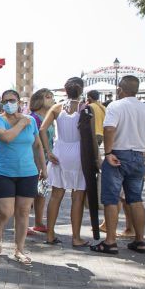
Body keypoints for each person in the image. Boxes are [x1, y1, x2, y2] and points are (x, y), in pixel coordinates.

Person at [94, 75, 145, 254]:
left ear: (120, 89)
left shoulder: (116, 106)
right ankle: (140, 240)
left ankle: (110, 241)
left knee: (111, 199)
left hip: (118, 155)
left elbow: (109, 129)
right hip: (138, 157)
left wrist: (108, 153)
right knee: (136, 199)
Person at [0, 90, 46, 265]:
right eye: (5, 101)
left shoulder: (30, 121)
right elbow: (6, 137)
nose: (9, 104)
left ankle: (19, 250)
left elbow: (38, 145)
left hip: (28, 172)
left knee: (23, 211)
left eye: (12, 100)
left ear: (19, 102)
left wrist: (43, 168)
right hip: (3, 172)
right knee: (5, 211)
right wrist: (21, 123)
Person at [39, 78, 90, 247]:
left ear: (65, 90)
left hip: (60, 152)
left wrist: (48, 151)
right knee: (78, 197)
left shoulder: (56, 108)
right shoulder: (85, 108)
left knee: (56, 196)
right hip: (79, 153)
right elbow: (90, 135)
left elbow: (42, 129)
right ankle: (76, 237)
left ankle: (50, 235)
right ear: (81, 90)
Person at [27, 88, 55, 234]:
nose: (51, 99)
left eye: (52, 97)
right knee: (29, 193)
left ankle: (38, 222)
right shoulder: (33, 118)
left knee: (41, 191)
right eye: (48, 97)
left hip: (46, 160)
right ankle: (23, 224)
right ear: (39, 100)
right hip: (33, 159)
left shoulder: (50, 117)